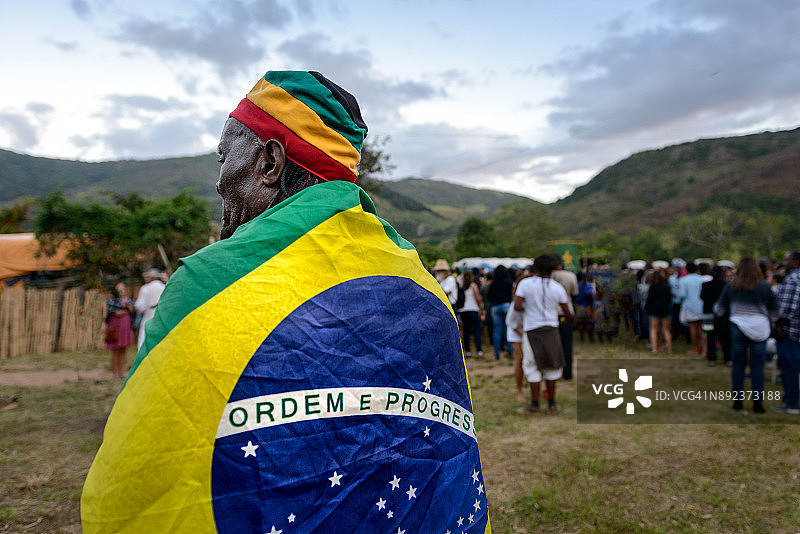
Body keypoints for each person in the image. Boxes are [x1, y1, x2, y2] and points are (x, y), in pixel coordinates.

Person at [82, 70, 489, 533]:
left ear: (270, 163)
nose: (219, 182)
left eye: (224, 157)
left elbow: (144, 482)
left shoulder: (212, 282)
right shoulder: (421, 285)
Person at [715, 257, 778, 413]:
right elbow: (775, 311)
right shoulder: (764, 287)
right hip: (760, 329)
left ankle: (738, 401)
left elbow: (719, 309)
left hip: (737, 327)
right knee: (757, 367)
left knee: (738, 365)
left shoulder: (732, 286)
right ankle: (758, 403)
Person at [514, 254, 572, 414]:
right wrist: (562, 321)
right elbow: (567, 312)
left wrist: (529, 308)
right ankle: (552, 403)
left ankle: (534, 405)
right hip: (551, 330)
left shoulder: (526, 284)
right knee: (552, 367)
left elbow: (517, 306)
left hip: (532, 329)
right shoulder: (556, 287)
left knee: (532, 366)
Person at [773, 251, 800, 415]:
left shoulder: (793, 279)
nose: (784, 263)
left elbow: (786, 308)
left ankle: (791, 402)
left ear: (796, 262)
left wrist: (778, 326)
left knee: (789, 366)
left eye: (787, 260)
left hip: (789, 330)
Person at [551, 256, 578, 379]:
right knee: (566, 344)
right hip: (566, 313)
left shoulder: (545, 277)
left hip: (550, 315)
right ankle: (567, 374)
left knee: (551, 345)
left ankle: (552, 373)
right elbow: (574, 295)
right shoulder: (570, 276)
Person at [506, 271, 531, 402]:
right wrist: (524, 336)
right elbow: (511, 323)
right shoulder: (515, 304)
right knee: (520, 359)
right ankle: (519, 390)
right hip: (516, 332)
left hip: (528, 332)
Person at [700, 266, 730, 366]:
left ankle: (712, 358)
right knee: (725, 336)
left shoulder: (706, 285)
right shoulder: (725, 285)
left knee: (710, 336)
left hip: (709, 314)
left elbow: (702, 297)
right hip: (723, 315)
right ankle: (727, 358)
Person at [104, 282, 134, 379]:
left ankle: (121, 373)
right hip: (116, 327)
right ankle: (115, 373)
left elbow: (133, 310)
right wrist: (126, 310)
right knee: (115, 351)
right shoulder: (111, 301)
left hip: (125, 327)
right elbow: (116, 313)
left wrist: (127, 309)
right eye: (120, 290)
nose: (122, 291)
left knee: (123, 350)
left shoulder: (129, 300)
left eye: (123, 289)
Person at [486, 264, 514, 359]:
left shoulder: (493, 283)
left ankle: (497, 353)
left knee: (497, 331)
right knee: (507, 330)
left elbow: (488, 297)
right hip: (507, 306)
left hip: (495, 307)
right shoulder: (509, 282)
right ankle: (510, 351)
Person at [677, 262, 705, 354]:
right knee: (701, 328)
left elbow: (682, 294)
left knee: (692, 327)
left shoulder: (683, 280)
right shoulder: (702, 279)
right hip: (701, 305)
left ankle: (695, 347)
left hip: (689, 305)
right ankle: (703, 347)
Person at [134, 268, 165, 349]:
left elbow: (140, 306)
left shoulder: (145, 288)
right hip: (161, 319)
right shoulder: (164, 287)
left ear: (152, 277)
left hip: (148, 318)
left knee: (143, 343)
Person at [644, 269, 672, 355]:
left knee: (653, 329)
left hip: (654, 309)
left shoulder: (652, 287)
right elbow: (669, 299)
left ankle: (654, 349)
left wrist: (647, 307)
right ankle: (669, 350)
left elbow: (649, 299)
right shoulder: (666, 286)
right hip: (665, 309)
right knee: (666, 330)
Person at [458, 269, 484, 357]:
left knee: (466, 331)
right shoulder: (473, 286)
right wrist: (480, 307)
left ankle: (468, 350)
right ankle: (479, 350)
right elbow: (477, 298)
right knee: (477, 330)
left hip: (463, 311)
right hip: (473, 309)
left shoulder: (461, 287)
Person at [574, 272, 595, 342]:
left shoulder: (575, 286)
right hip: (588, 306)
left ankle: (582, 338)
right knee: (589, 323)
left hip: (578, 307)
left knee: (580, 323)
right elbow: (592, 296)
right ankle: (591, 338)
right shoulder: (588, 286)